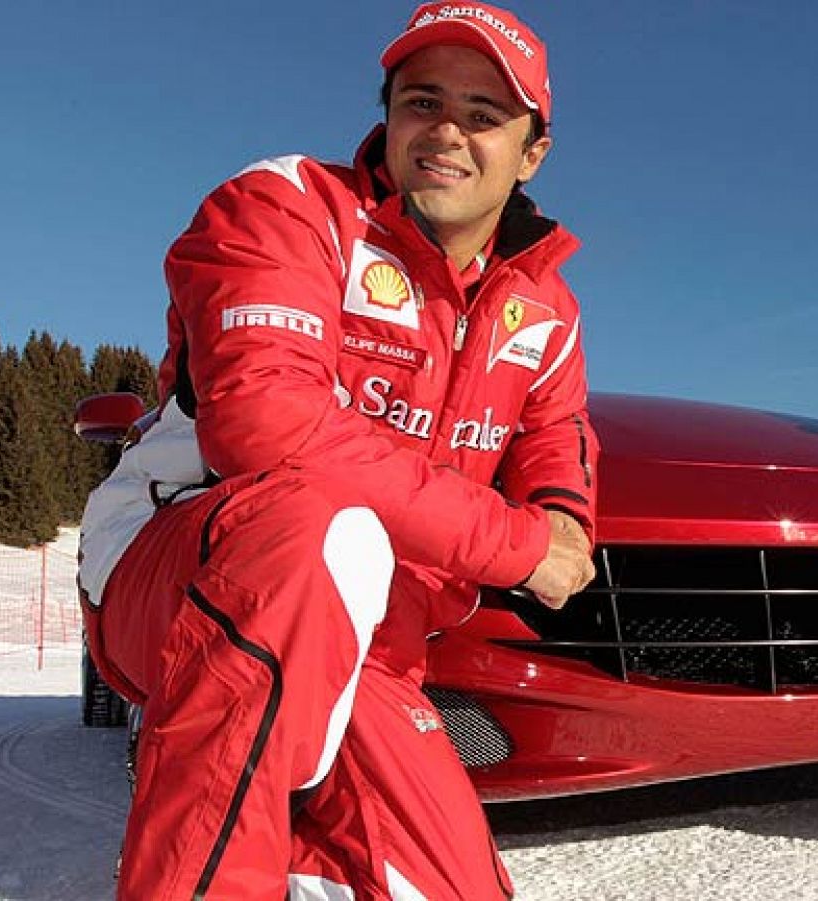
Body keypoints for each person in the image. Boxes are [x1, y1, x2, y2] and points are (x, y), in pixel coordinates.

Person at [77, 3, 597, 897]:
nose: (446, 132)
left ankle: (296, 835)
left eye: (482, 115)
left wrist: (563, 524)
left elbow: (556, 440)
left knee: (455, 884)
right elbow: (268, 428)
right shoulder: (288, 206)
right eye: (422, 101)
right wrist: (518, 548)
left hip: (379, 640)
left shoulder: (544, 307)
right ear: (387, 112)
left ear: (531, 151)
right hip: (181, 569)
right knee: (318, 524)